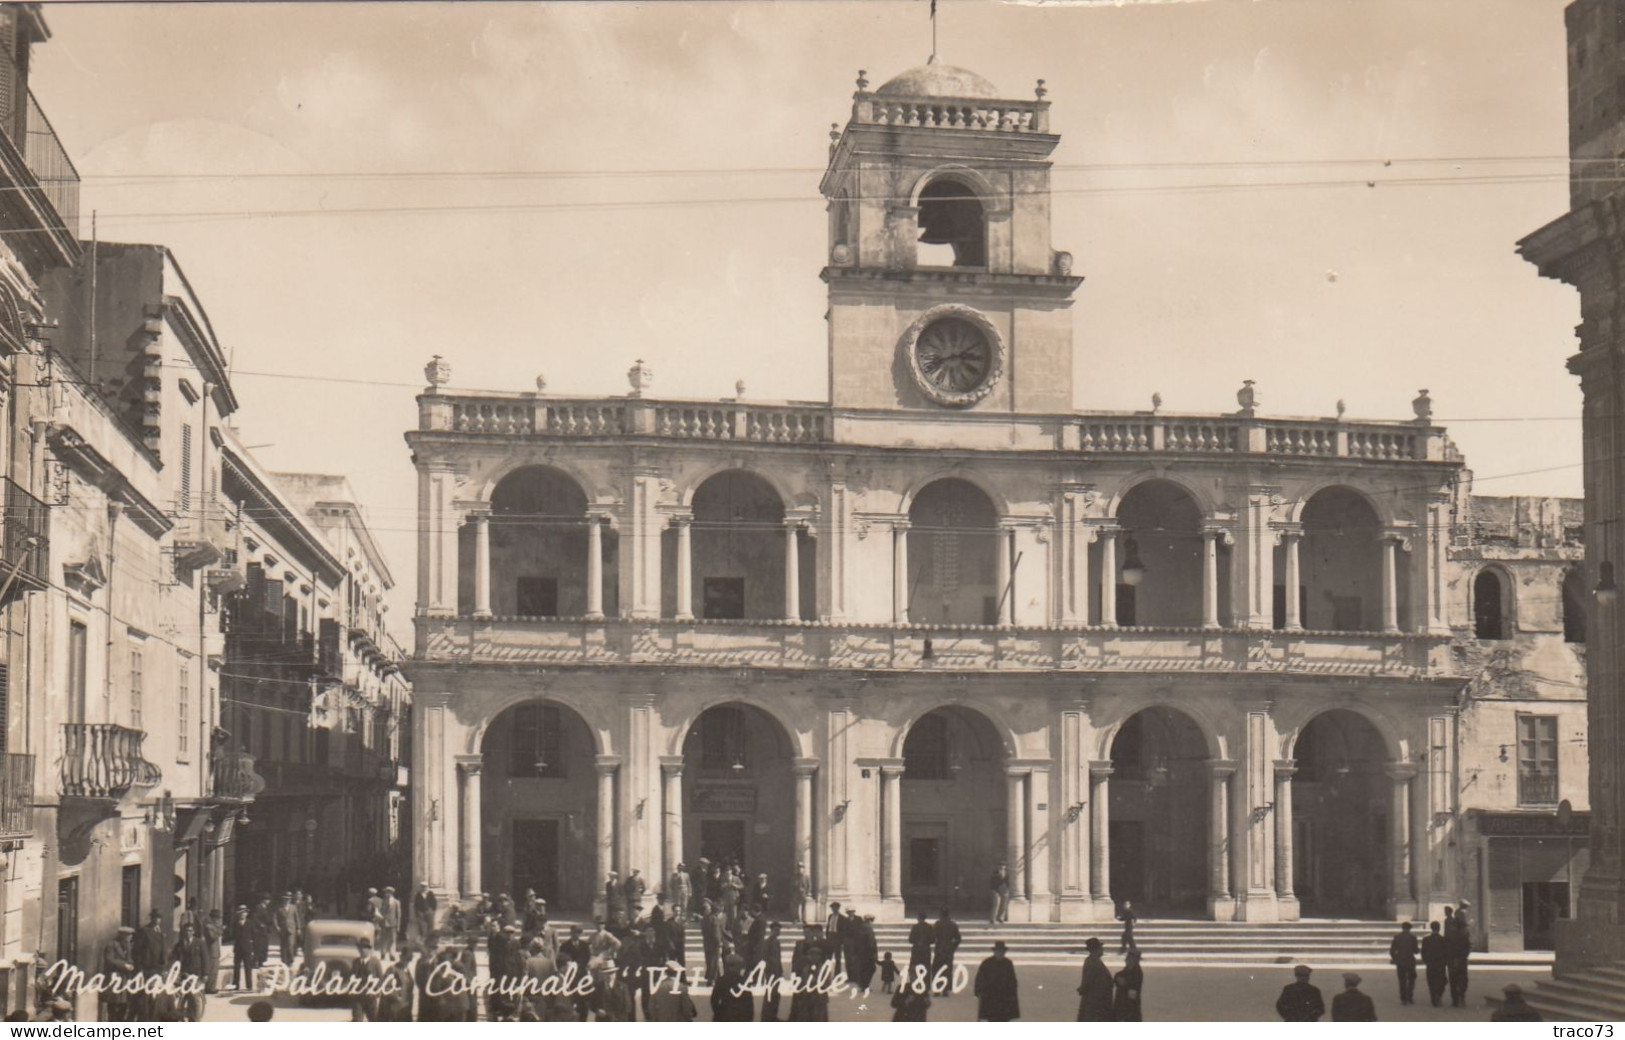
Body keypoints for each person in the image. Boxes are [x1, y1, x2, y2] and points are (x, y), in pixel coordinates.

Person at [170, 921, 211, 1021]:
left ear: (193, 932)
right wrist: (174, 972)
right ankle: (181, 1017)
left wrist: (205, 973)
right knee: (181, 997)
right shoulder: (179, 945)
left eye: (190, 931)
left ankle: (195, 1020)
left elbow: (205, 959)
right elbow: (174, 959)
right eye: (186, 931)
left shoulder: (200, 943)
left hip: (196, 976)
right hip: (183, 975)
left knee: (195, 999)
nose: (188, 933)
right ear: (183, 932)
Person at [974, 939, 1020, 1022]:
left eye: (1002, 952)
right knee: (992, 1019)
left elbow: (1012, 980)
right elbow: (979, 978)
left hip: (1004, 998)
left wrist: (1012, 994)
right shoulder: (987, 963)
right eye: (998, 952)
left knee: (1004, 1019)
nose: (1000, 954)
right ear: (995, 952)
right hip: (991, 998)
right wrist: (978, 991)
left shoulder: (1008, 963)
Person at [99, 926, 137, 1022]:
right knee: (112, 1004)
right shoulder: (111, 945)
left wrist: (131, 964)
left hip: (124, 979)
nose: (130, 938)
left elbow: (130, 959)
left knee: (123, 1004)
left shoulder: (128, 946)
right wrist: (124, 965)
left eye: (131, 936)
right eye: (128, 936)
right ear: (122, 936)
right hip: (114, 978)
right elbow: (109, 959)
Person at [1076, 936, 1114, 1021]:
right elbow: (1087, 980)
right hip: (1096, 1002)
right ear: (1096, 949)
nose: (1102, 949)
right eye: (1100, 947)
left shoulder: (1094, 961)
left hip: (1098, 1000)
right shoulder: (1092, 962)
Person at [711, 952, 754, 1021]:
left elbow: (714, 1000)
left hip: (724, 1016)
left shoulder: (722, 981)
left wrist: (718, 1014)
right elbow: (749, 1006)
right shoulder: (743, 982)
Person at [759, 920, 786, 1022]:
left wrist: (780, 971)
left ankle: (773, 1015)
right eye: (776, 930)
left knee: (775, 995)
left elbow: (778, 958)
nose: (777, 932)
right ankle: (767, 1017)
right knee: (770, 994)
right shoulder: (768, 942)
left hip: (777, 972)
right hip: (771, 972)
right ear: (771, 931)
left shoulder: (777, 942)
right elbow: (765, 958)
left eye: (779, 930)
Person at [1445, 904, 1471, 1007]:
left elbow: (1467, 947)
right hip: (1457, 959)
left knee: (1457, 979)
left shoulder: (1462, 935)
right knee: (1457, 979)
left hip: (1457, 959)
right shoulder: (1461, 935)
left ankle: (1458, 997)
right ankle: (1457, 998)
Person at [1389, 921, 1418, 1005]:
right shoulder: (1413, 938)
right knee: (1411, 979)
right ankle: (1410, 996)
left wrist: (1395, 958)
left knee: (1402, 980)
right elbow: (1416, 950)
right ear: (1410, 929)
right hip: (1410, 961)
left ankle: (1403, 998)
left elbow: (1392, 950)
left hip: (1400, 961)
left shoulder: (1397, 937)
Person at [1420, 920, 1448, 1007]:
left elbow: (1423, 951)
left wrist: (1426, 961)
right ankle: (1438, 994)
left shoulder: (1426, 939)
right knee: (1442, 981)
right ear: (1439, 928)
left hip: (1430, 963)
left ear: (1431, 928)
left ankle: (1433, 998)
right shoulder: (1443, 939)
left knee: (1431, 981)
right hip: (1440, 964)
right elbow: (1446, 952)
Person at [231, 906, 259, 991]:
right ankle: (236, 984)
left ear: (247, 914)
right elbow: (233, 934)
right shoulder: (235, 923)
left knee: (248, 967)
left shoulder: (250, 923)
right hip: (238, 948)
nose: (242, 914)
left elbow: (254, 936)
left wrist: (254, 948)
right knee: (236, 967)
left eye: (244, 912)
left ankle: (249, 985)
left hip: (247, 948)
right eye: (240, 913)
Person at [1112, 948, 1144, 1021]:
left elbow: (1132, 992)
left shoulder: (1137, 973)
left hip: (1128, 1008)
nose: (1126, 960)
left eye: (1128, 958)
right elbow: (1118, 975)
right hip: (1121, 1006)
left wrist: (1124, 984)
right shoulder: (1128, 969)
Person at [202, 908, 224, 994]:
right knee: (212, 970)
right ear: (213, 918)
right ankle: (210, 988)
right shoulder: (209, 926)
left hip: (214, 951)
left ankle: (212, 987)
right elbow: (212, 937)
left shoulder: (213, 926)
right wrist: (220, 931)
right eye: (217, 918)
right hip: (211, 951)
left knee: (214, 971)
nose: (218, 920)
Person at [275, 893, 300, 966]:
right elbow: (275, 918)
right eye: (285, 899)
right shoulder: (279, 908)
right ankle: (284, 960)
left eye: (288, 899)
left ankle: (291, 960)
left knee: (290, 945)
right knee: (283, 946)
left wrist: (298, 928)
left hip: (291, 928)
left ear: (290, 900)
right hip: (283, 929)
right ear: (283, 900)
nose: (287, 900)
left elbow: (297, 918)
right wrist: (277, 926)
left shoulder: (293, 907)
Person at [380, 887, 403, 957]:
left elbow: (398, 914)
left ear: (391, 893)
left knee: (392, 939)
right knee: (384, 938)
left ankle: (392, 954)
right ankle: (383, 953)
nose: (386, 894)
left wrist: (398, 925)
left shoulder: (396, 902)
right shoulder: (383, 901)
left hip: (393, 923)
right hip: (384, 922)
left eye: (387, 892)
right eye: (386, 892)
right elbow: (381, 912)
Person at [824, 902, 846, 973]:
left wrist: (842, 941)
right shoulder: (830, 916)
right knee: (828, 956)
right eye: (832, 908)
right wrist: (827, 936)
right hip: (830, 937)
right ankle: (827, 972)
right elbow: (828, 926)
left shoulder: (842, 918)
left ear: (838, 908)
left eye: (835, 908)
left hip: (837, 938)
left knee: (837, 958)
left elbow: (843, 930)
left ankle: (837, 973)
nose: (834, 909)